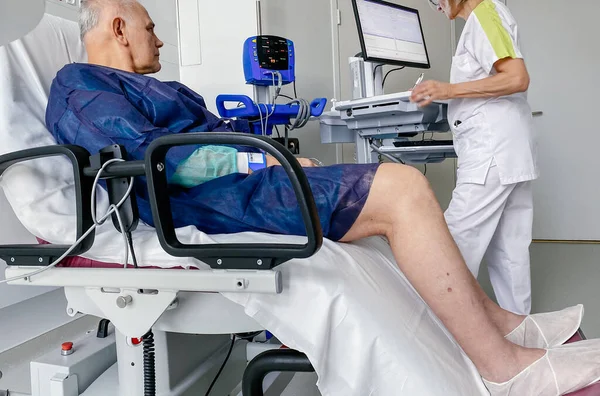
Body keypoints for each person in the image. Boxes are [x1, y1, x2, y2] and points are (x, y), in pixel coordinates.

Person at [45, 1, 600, 394]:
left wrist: (271, 155)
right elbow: (153, 161)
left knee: (395, 194)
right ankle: (503, 366)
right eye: (150, 27)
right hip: (211, 204)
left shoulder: (159, 88)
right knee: (403, 188)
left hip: (243, 186)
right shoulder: (81, 85)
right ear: (119, 27)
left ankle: (501, 325)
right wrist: (261, 157)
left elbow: (210, 135)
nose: (159, 37)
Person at [411, 0, 537, 315]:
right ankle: (519, 336)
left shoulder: (485, 14)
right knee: (509, 253)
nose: (435, 6)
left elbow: (516, 77)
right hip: (509, 151)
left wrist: (448, 91)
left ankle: (445, 339)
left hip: (491, 152)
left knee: (452, 244)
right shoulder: (486, 17)